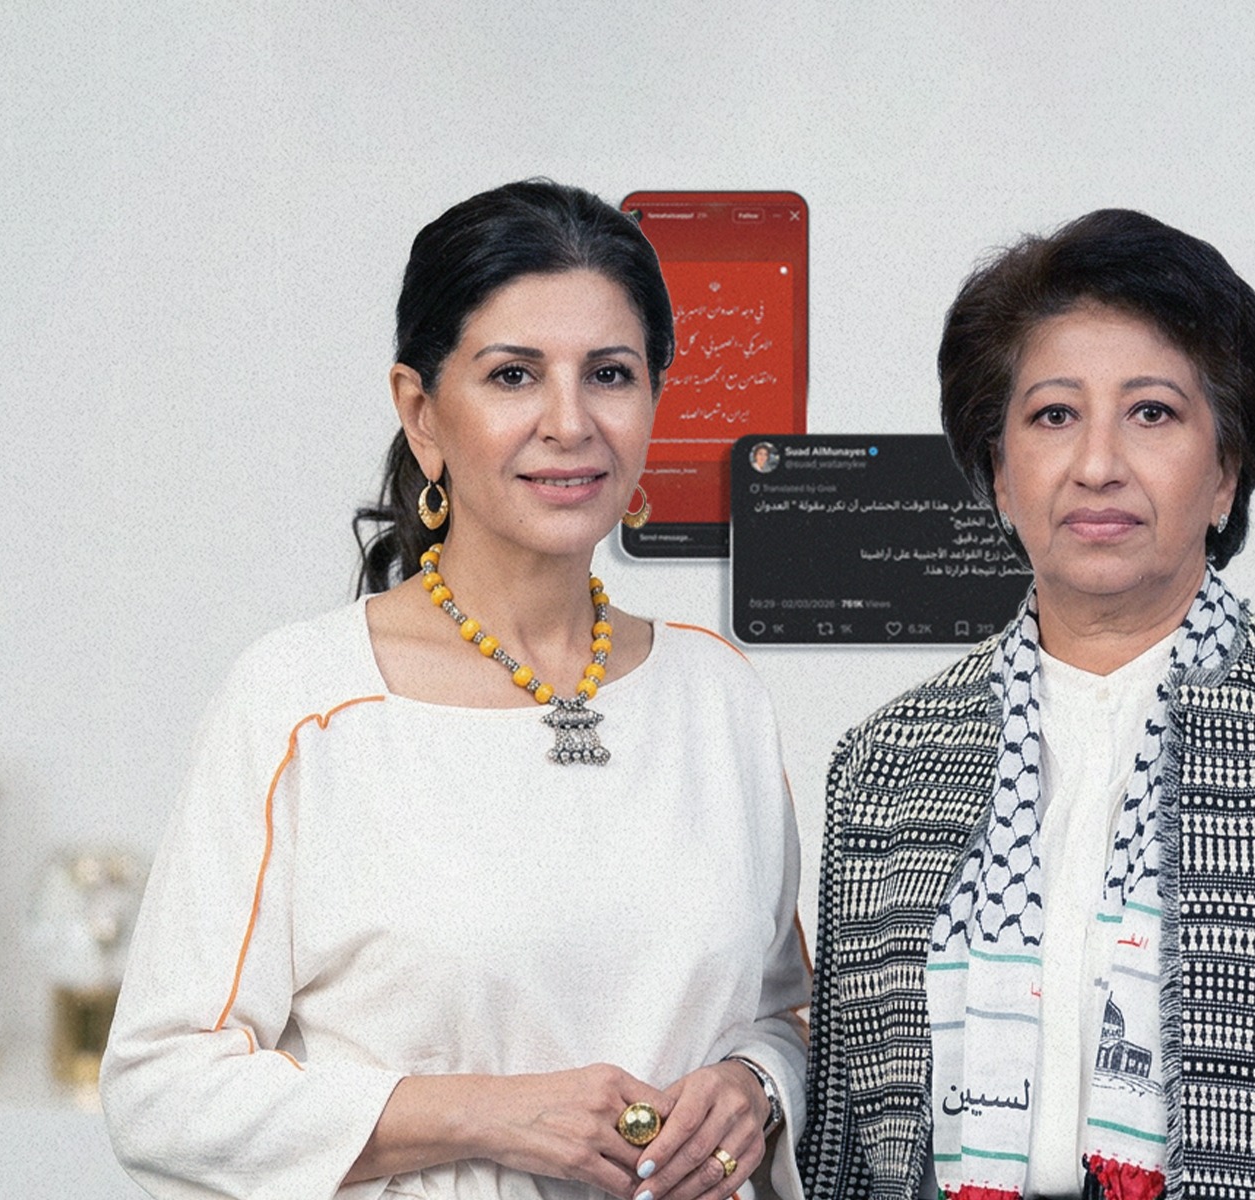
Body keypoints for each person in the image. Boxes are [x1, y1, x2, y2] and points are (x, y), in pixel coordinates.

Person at [101, 180, 809, 1200]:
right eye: (514, 375)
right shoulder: (306, 701)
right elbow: (161, 1090)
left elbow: (786, 1014)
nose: (570, 422)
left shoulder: (715, 696)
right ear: (421, 412)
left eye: (609, 374)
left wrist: (754, 1087)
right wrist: (489, 1113)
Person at [797, 210, 1255, 1200]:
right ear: (998, 474)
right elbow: (840, 1152)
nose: (1097, 464)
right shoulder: (885, 762)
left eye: (1152, 413)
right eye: (1053, 416)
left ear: (1224, 474)